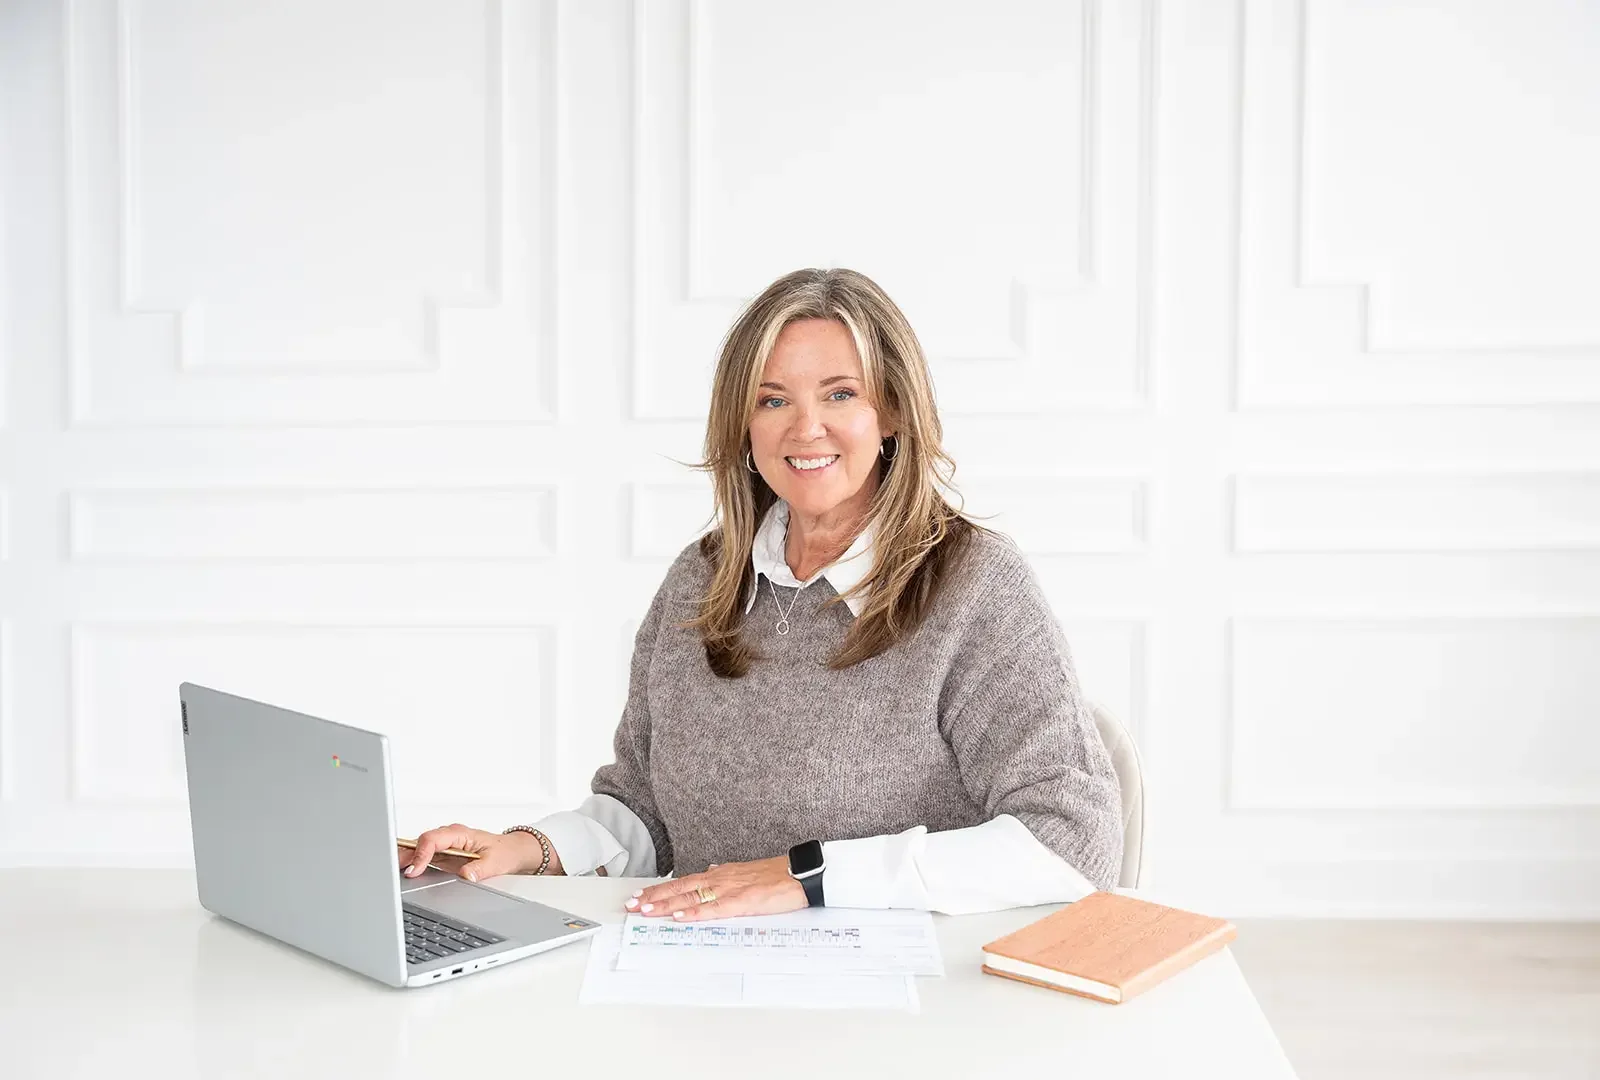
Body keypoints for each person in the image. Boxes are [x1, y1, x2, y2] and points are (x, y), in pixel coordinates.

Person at [404, 267, 1122, 919]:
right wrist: (528, 848)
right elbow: (646, 812)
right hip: (712, 980)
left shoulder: (973, 584)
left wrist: (807, 876)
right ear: (744, 425)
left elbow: (1073, 837)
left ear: (893, 413)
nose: (805, 428)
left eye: (840, 394)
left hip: (910, 1002)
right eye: (772, 399)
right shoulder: (703, 577)